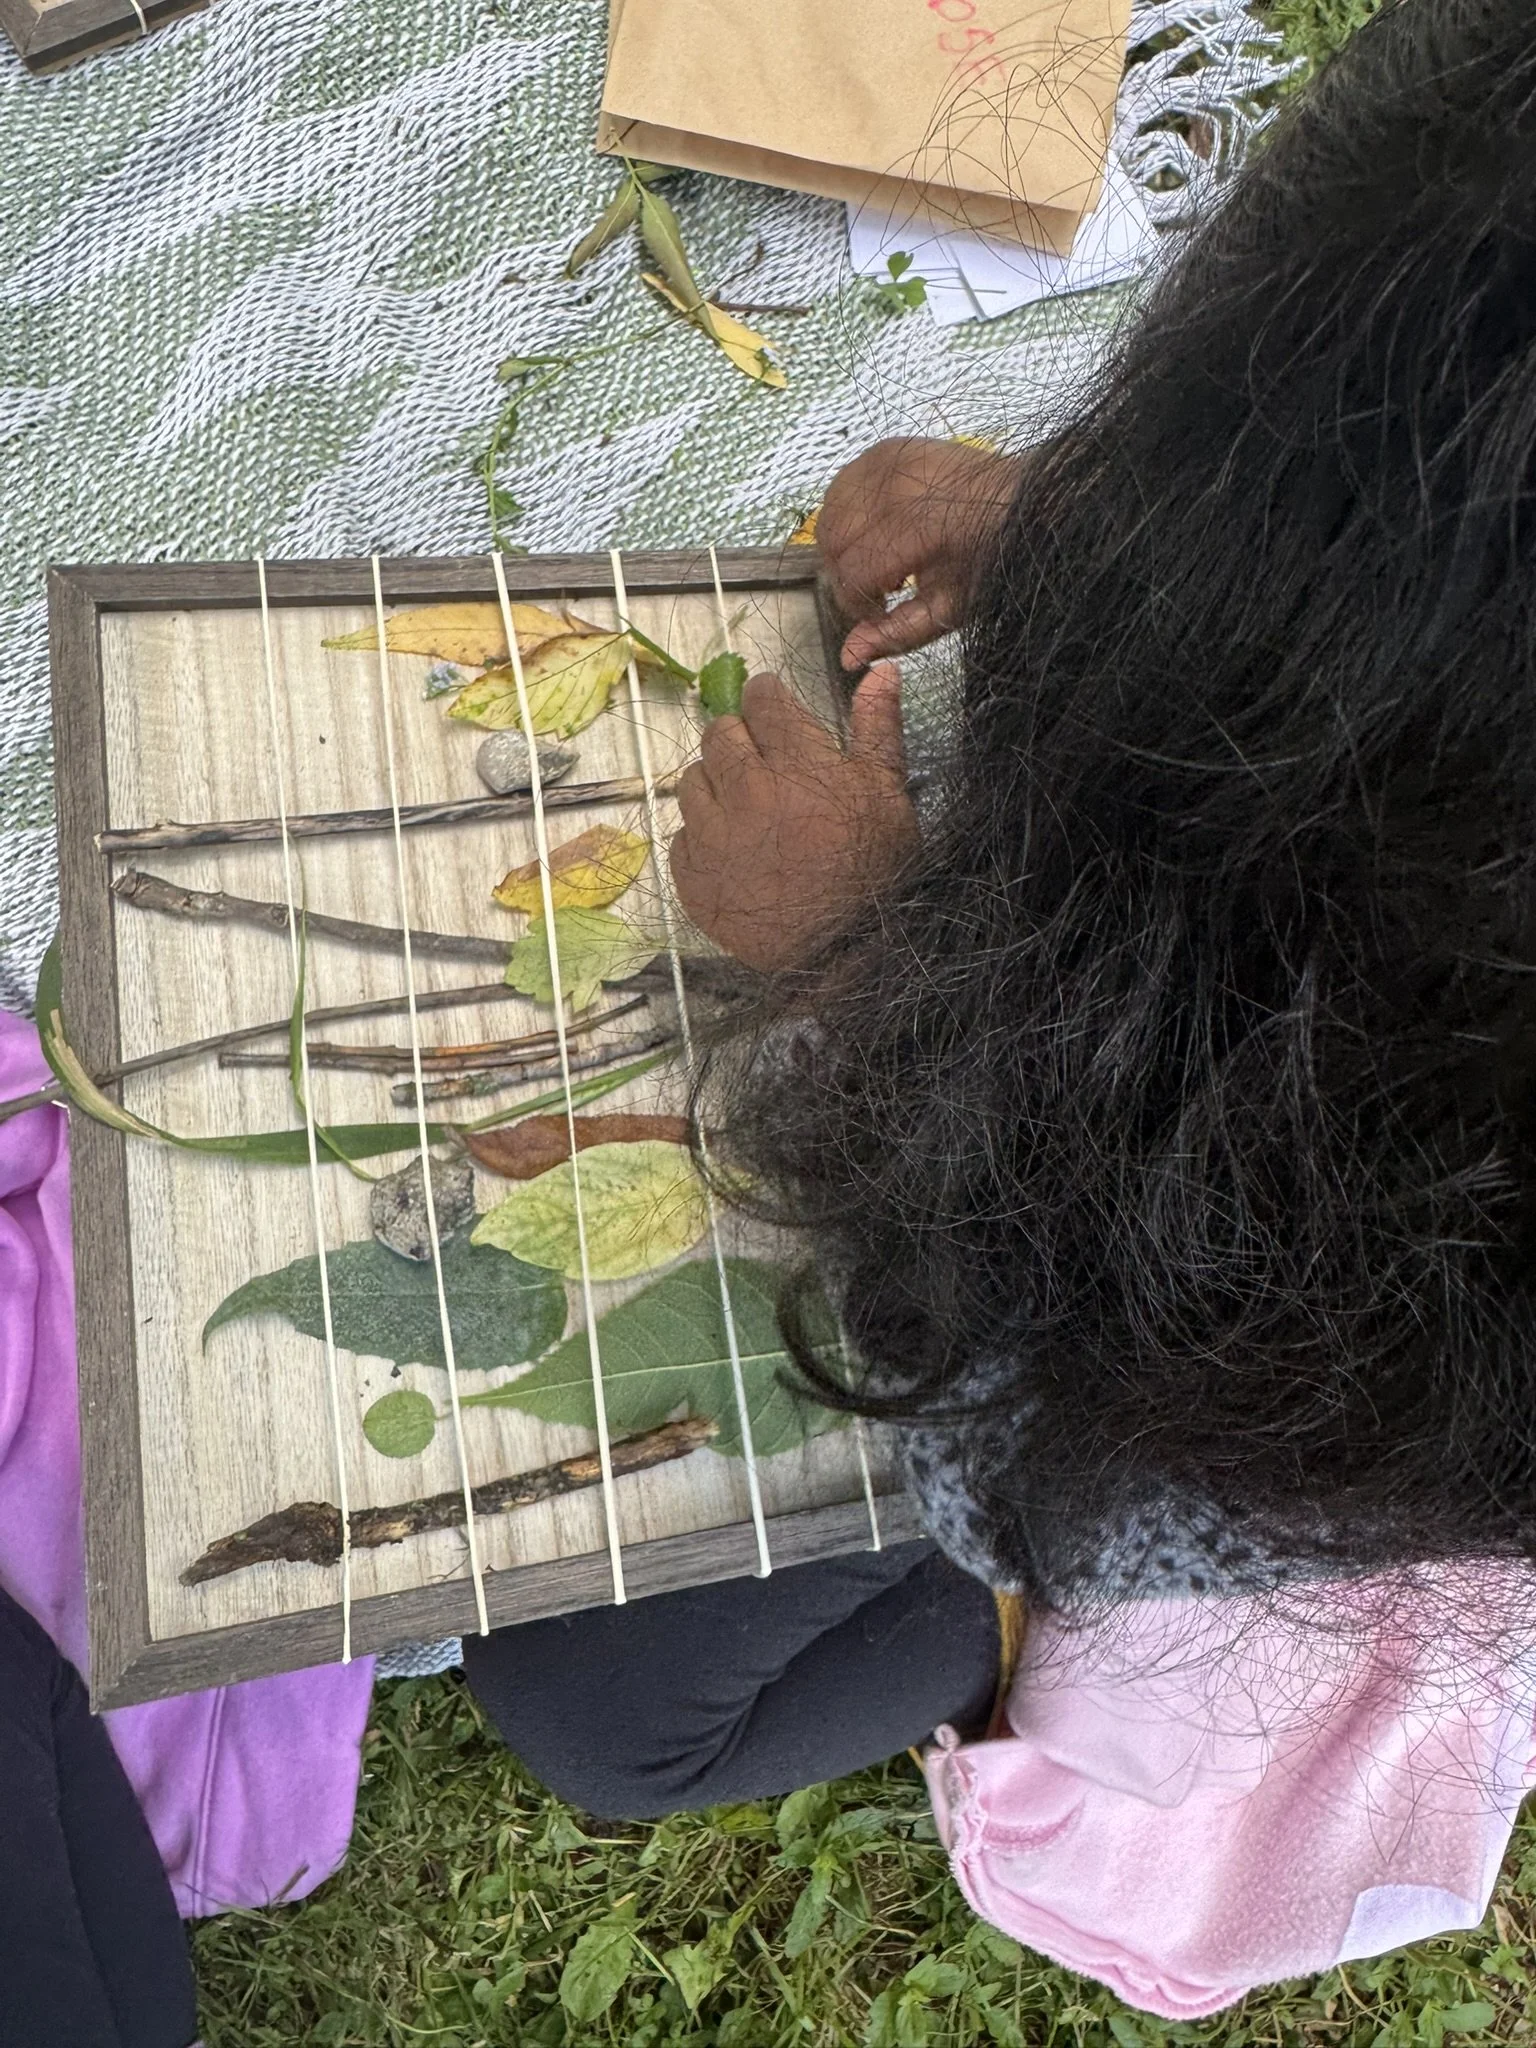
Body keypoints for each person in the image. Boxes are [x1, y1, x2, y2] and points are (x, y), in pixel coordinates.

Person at [466, 0, 1536, 1817]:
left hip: (1193, 1419)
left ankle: (1030, 1658)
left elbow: (1081, 1373)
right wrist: (1083, 519)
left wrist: (859, 971)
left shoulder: (1408, 1320)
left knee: (609, 1720)